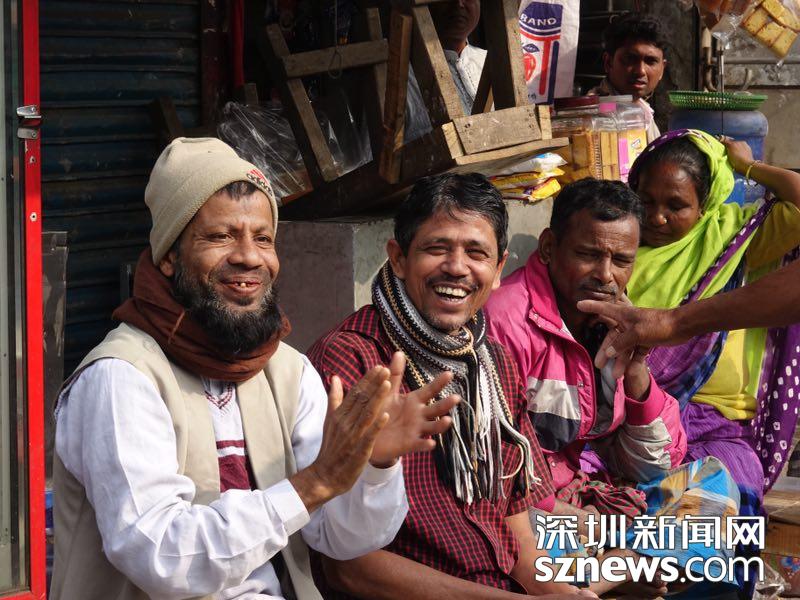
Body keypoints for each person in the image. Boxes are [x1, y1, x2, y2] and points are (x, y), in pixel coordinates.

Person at [51, 137, 458, 600]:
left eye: (263, 238)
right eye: (220, 236)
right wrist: (314, 483)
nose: (249, 256)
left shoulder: (287, 371)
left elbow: (341, 539)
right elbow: (160, 554)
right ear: (168, 256)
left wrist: (372, 466)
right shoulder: (120, 377)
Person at [308, 173, 593, 599]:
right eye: (436, 248)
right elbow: (348, 568)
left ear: (498, 270)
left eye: (476, 253)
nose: (457, 268)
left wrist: (560, 592)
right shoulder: (352, 361)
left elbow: (513, 523)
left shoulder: (493, 363)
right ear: (398, 258)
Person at [485, 178, 741, 596]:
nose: (606, 275)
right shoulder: (506, 320)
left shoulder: (613, 321)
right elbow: (494, 468)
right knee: (518, 537)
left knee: (711, 483)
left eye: (622, 260)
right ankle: (622, 572)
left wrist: (637, 369)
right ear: (549, 248)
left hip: (581, 500)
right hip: (529, 509)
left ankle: (614, 571)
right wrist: (573, 515)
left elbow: (656, 465)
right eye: (588, 255)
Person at [622, 129, 800, 525]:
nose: (657, 217)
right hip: (629, 418)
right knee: (620, 508)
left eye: (676, 205)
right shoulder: (618, 245)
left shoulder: (736, 240)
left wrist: (749, 166)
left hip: (714, 423)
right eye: (645, 201)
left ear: (705, 205)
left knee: (725, 506)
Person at [588, 12, 667, 142]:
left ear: (662, 69)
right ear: (608, 62)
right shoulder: (593, 117)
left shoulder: (645, 113)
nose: (640, 71)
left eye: (650, 61)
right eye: (630, 59)